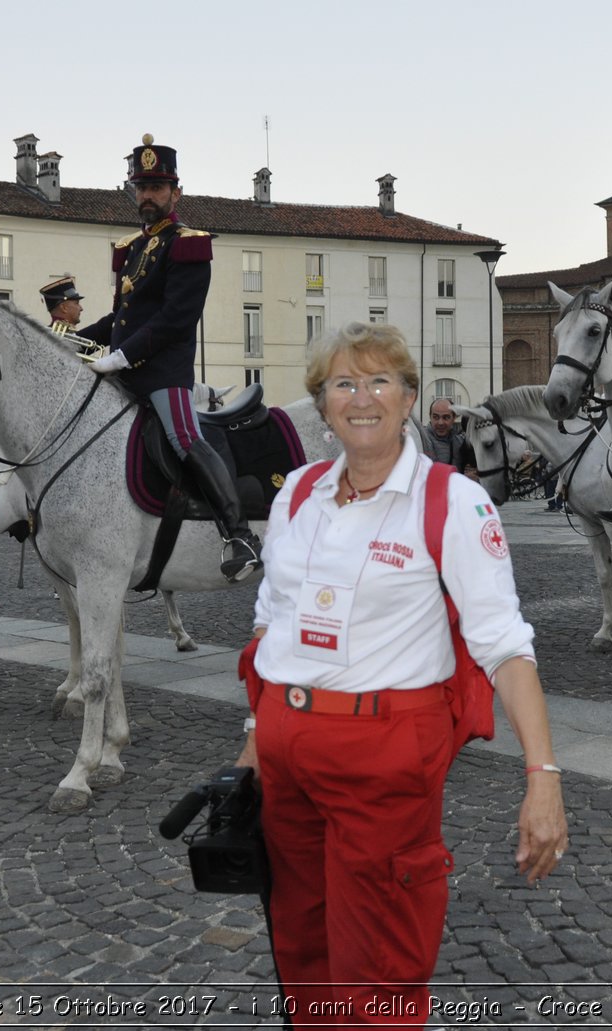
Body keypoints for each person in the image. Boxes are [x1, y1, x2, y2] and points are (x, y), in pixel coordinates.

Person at [237, 321, 568, 1027]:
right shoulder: (295, 493)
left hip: (383, 754)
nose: (362, 397)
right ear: (322, 402)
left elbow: (505, 646)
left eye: (379, 380)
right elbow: (273, 620)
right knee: (301, 949)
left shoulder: (451, 499)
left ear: (410, 396)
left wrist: (543, 776)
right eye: (343, 383)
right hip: (286, 751)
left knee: (380, 960)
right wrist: (254, 737)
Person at [75, 134, 261, 582]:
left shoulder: (188, 244)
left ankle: (238, 534)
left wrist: (121, 357)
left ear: (176, 193)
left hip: (163, 372)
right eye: (141, 188)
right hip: (125, 369)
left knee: (183, 438)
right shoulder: (133, 248)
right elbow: (119, 318)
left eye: (156, 188)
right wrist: (71, 340)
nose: (147, 196)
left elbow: (177, 319)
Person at [421, 396, 468, 471]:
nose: (440, 423)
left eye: (446, 417)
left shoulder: (460, 442)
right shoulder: (420, 440)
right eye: (436, 417)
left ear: (454, 418)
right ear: (430, 416)